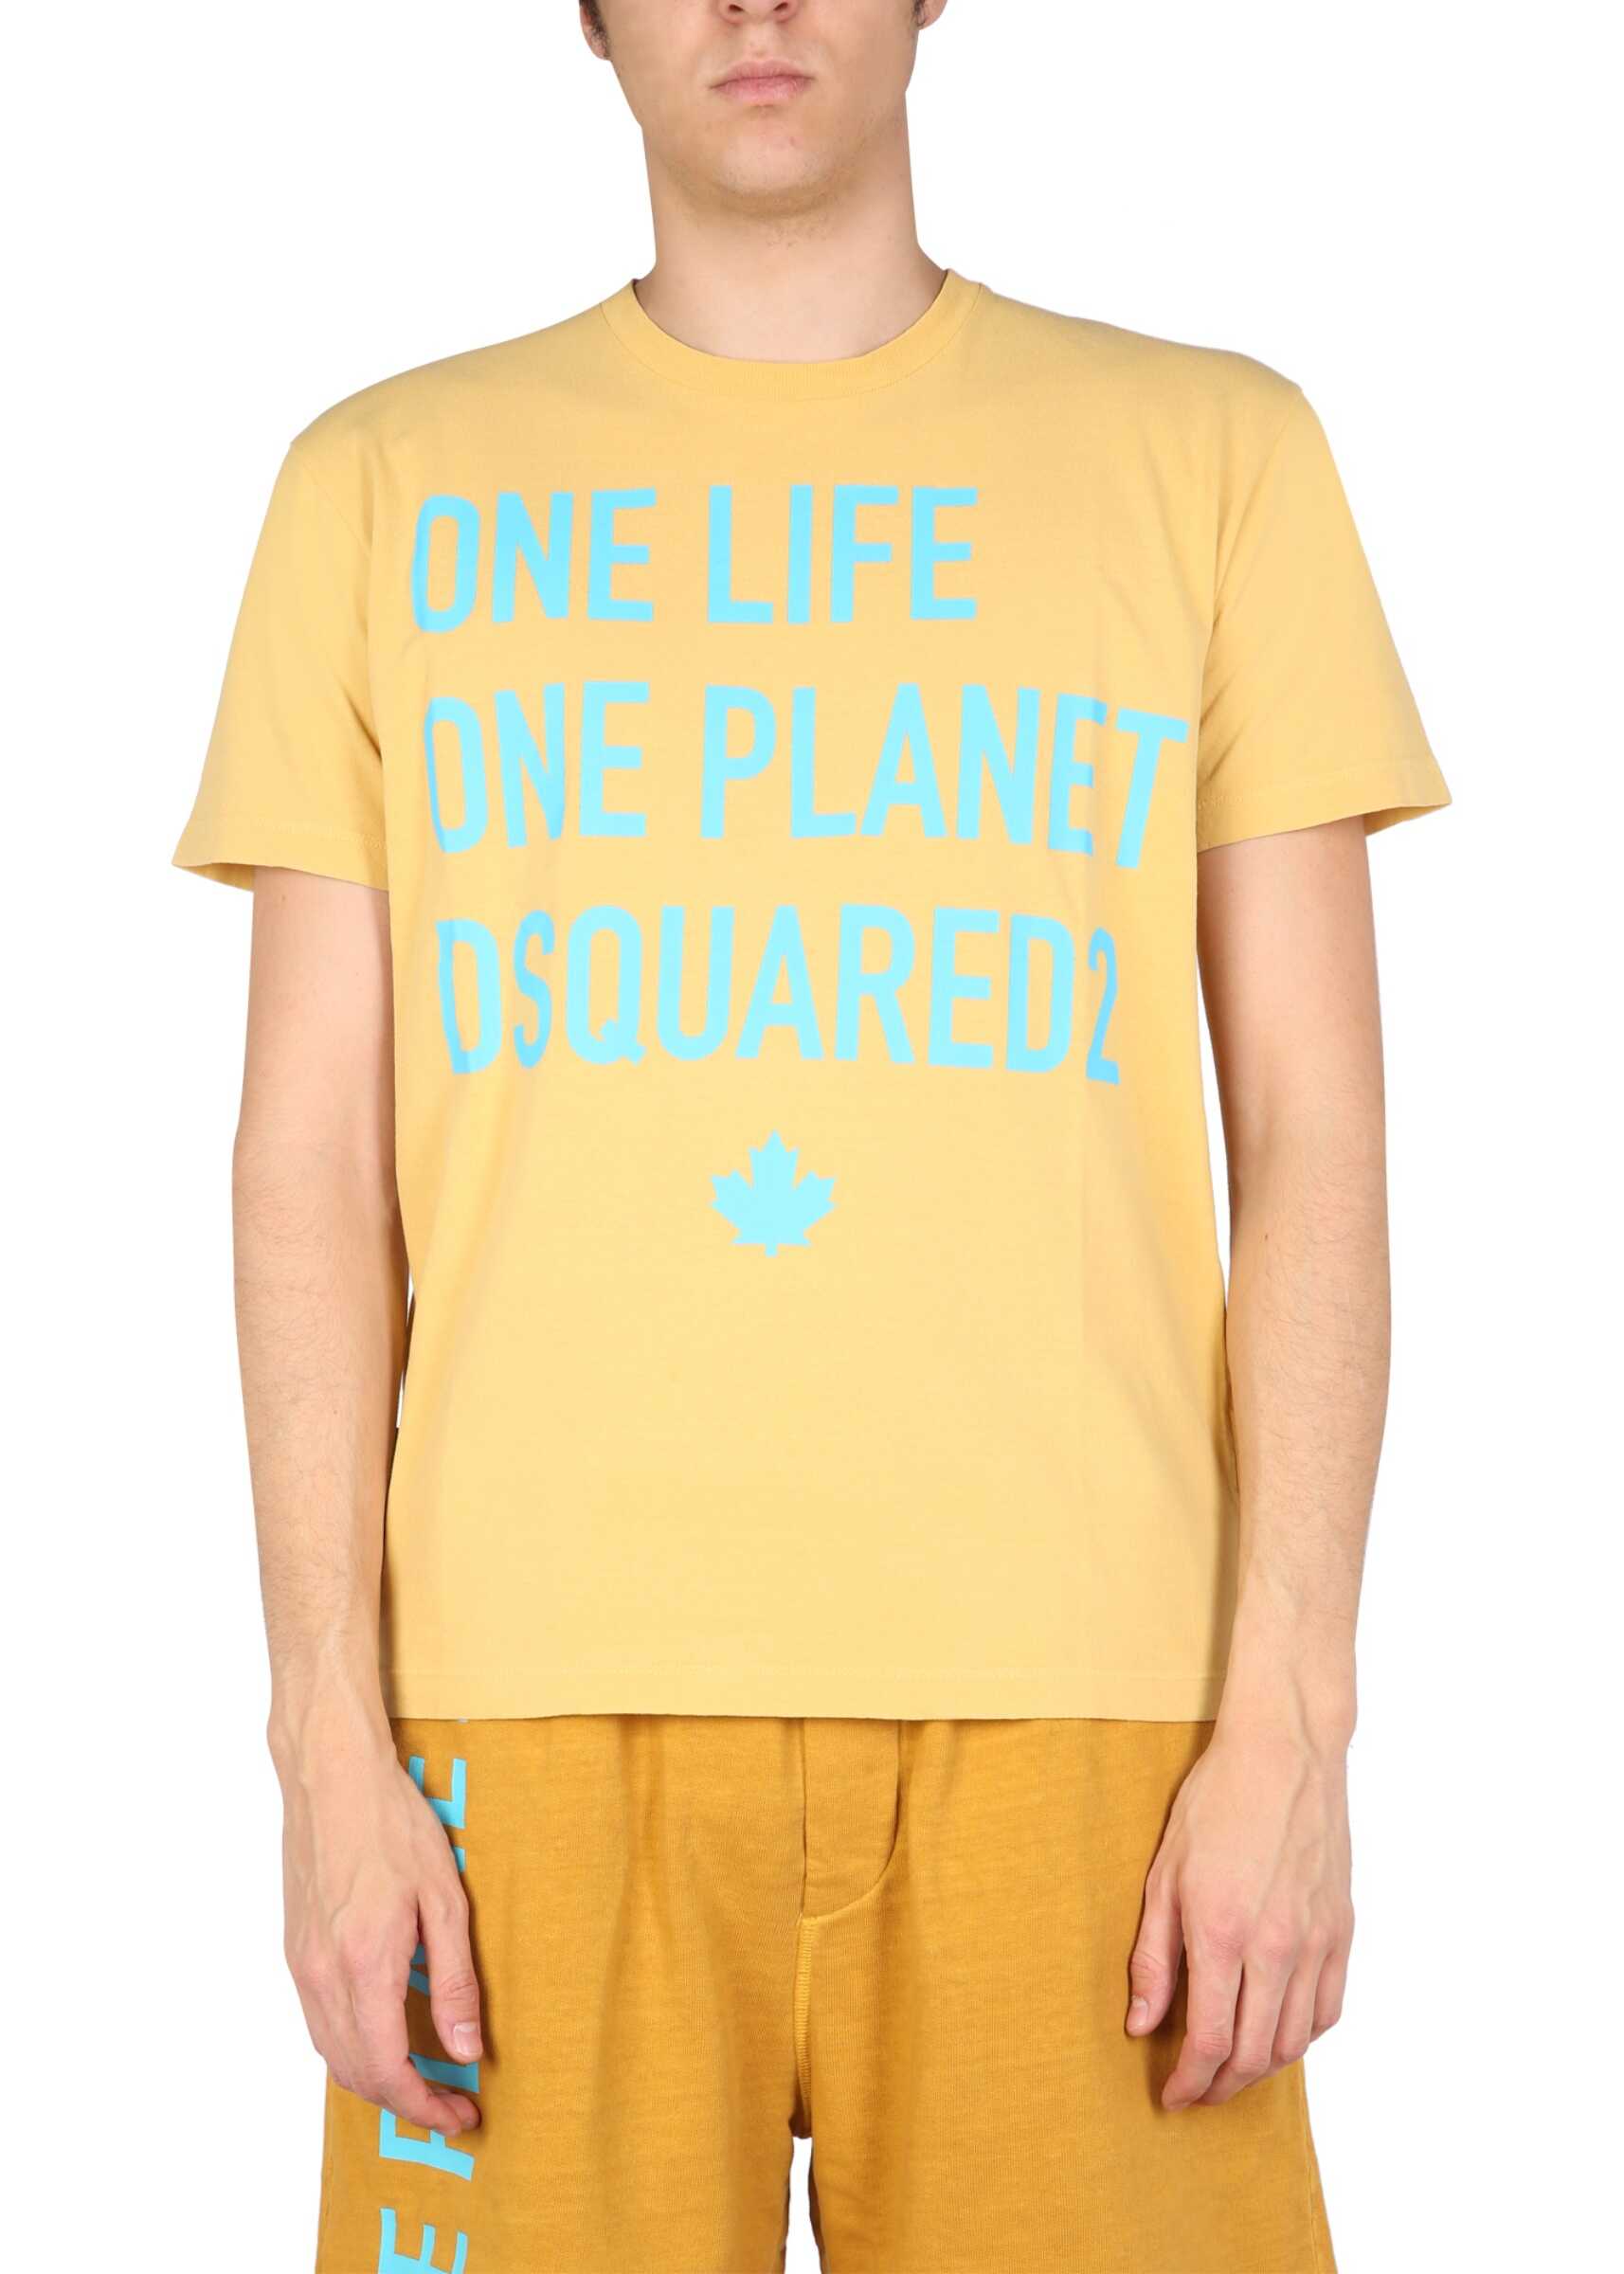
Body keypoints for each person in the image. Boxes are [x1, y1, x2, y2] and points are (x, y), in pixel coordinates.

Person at [173, 2, 1450, 2266]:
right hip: (514, 1747)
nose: (754, 1)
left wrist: (1291, 1724)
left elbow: (1314, 1136)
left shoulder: (1209, 454)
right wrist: (324, 1752)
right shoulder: (377, 485)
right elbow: (305, 1174)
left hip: (1096, 1735)